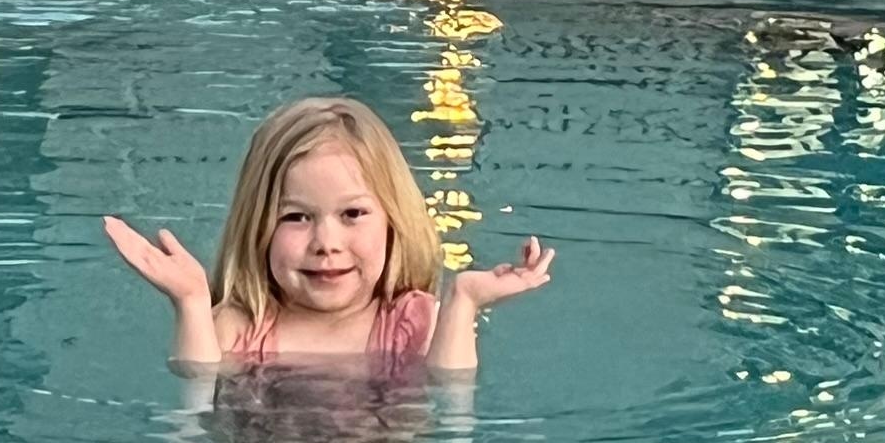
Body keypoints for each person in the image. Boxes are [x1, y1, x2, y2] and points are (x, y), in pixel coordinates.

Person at [105, 94, 552, 374]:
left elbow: (452, 402)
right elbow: (197, 401)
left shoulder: (411, 321)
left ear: (393, 222)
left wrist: (464, 302)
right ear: (257, 226)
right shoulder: (243, 325)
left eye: (353, 213)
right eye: (296, 217)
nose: (326, 242)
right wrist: (191, 303)